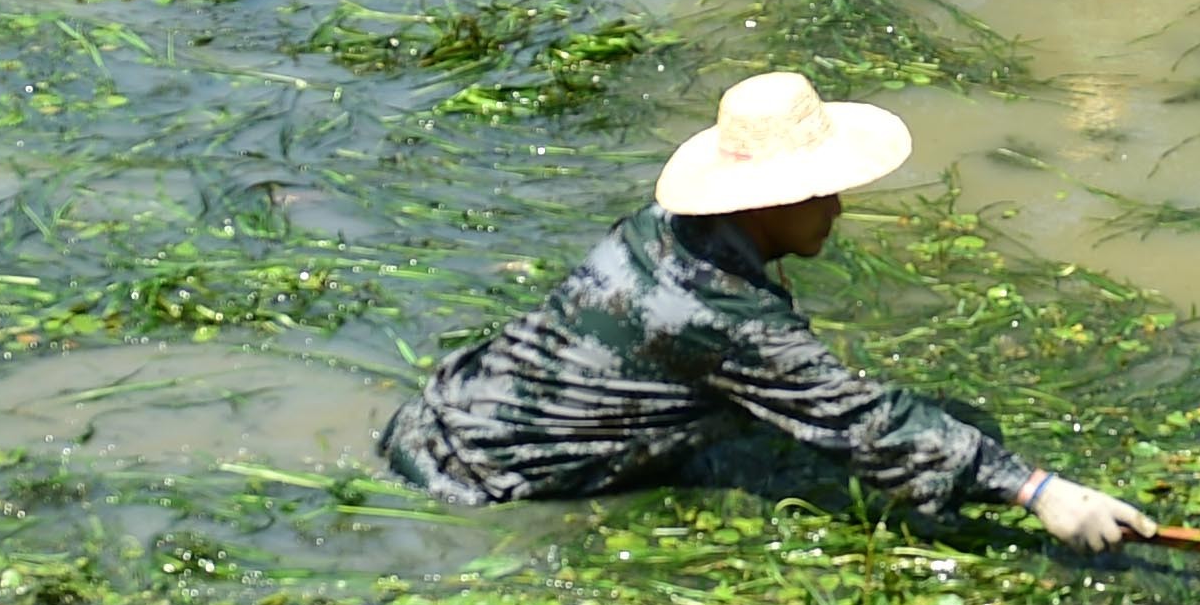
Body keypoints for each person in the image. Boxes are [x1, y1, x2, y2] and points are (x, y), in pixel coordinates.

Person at [379, 71, 1159, 550]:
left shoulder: (664, 230)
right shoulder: (718, 313)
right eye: (820, 191)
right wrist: (1038, 490)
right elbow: (859, 419)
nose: (838, 206)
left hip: (441, 411)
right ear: (766, 201)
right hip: (474, 479)